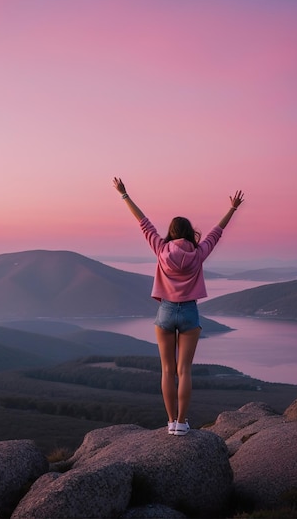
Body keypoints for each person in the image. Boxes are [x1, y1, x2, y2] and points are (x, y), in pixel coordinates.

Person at [113, 177, 244, 436]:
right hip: (189, 312)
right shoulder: (198, 252)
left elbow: (143, 223)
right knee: (184, 371)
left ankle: (171, 421)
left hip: (165, 311)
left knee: (166, 370)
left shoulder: (161, 249)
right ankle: (183, 423)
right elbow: (217, 232)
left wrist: (124, 195)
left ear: (172, 233)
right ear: (188, 233)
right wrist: (233, 208)